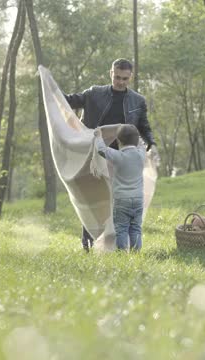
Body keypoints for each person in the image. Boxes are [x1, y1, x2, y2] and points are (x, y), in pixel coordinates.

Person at [64, 58, 158, 252]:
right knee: (94, 201)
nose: (120, 82)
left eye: (124, 78)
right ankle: (88, 245)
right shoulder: (94, 93)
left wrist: (152, 143)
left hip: (121, 160)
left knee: (120, 204)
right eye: (117, 77)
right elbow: (69, 101)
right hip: (95, 157)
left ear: (130, 77)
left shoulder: (137, 101)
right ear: (111, 73)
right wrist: (50, 89)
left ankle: (114, 245)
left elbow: (144, 127)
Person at [94, 124, 145, 251]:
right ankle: (136, 253)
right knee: (136, 228)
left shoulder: (118, 156)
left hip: (122, 200)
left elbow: (101, 150)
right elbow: (142, 145)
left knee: (122, 228)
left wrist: (99, 136)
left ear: (118, 141)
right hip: (138, 199)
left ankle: (122, 253)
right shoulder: (141, 155)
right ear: (137, 141)